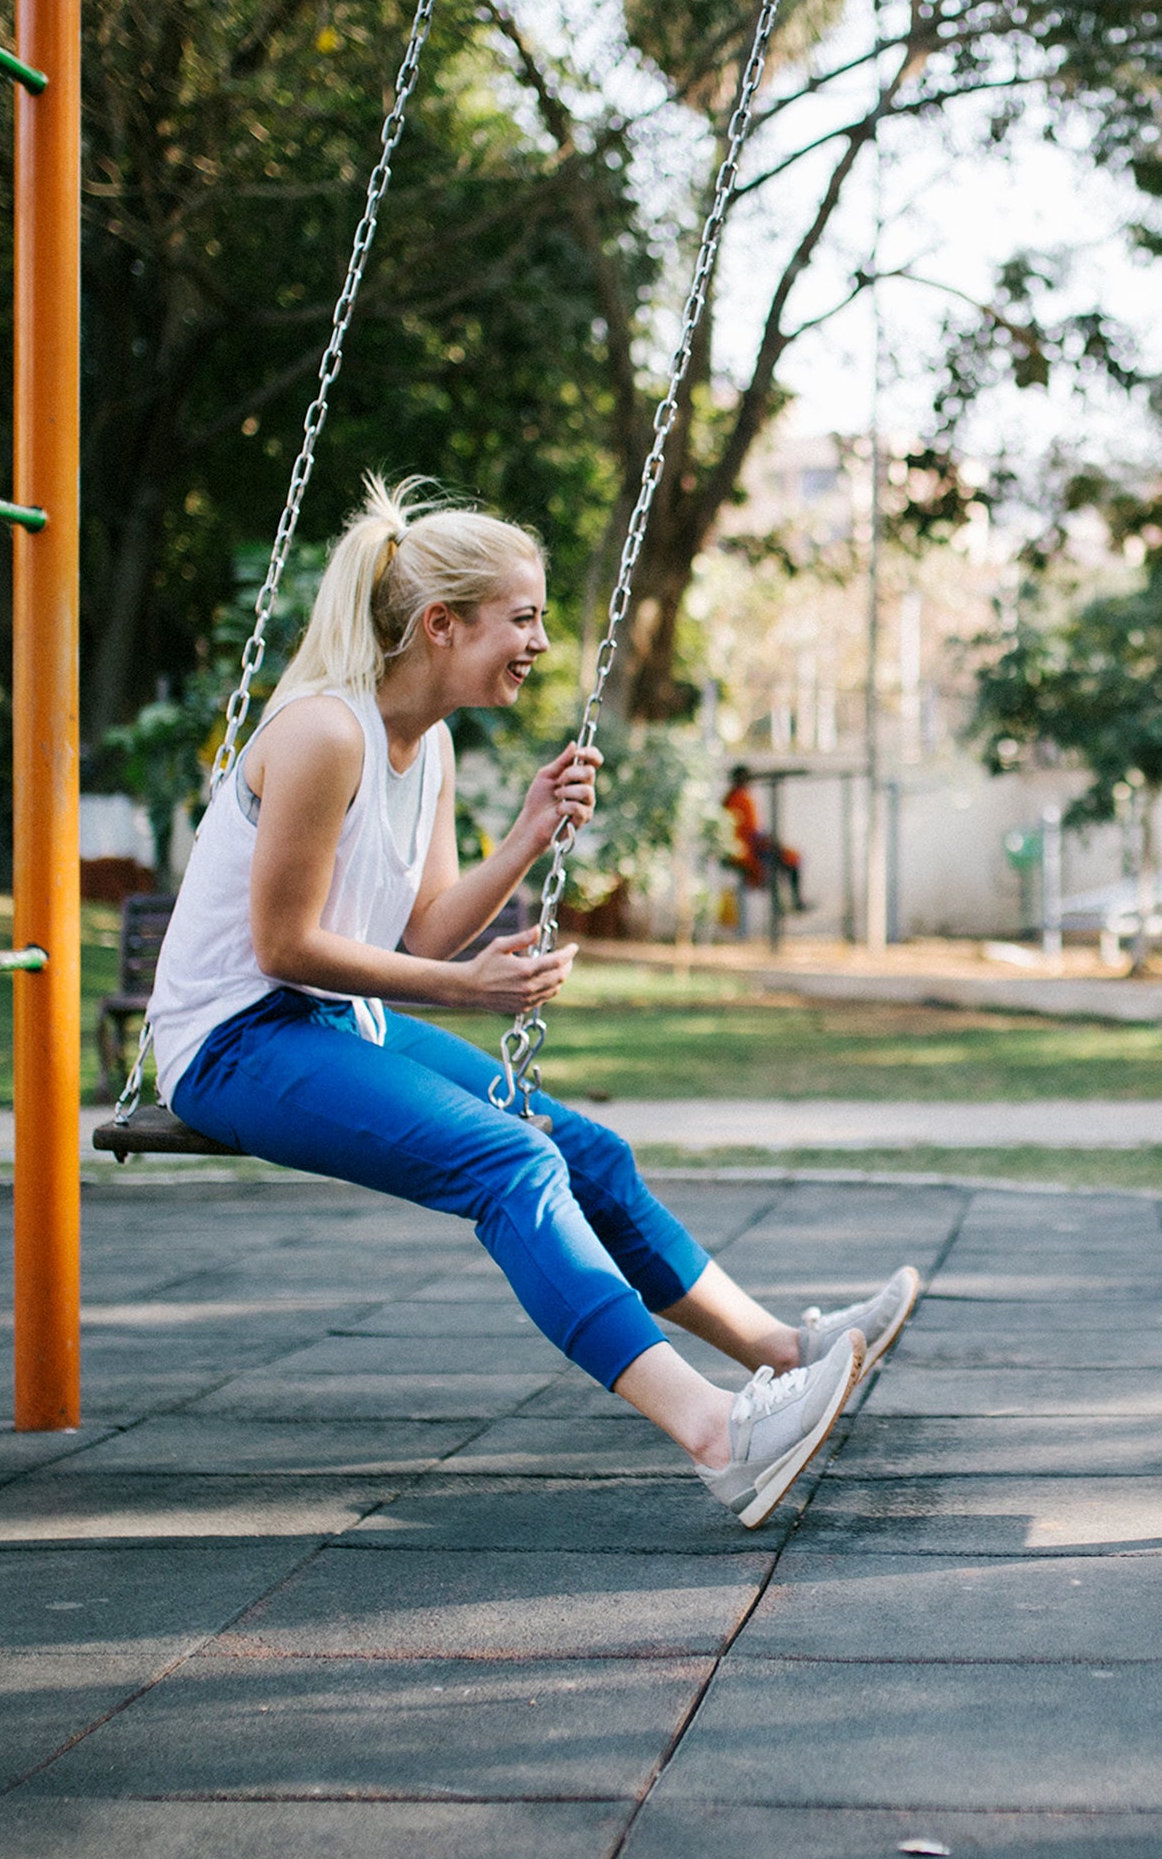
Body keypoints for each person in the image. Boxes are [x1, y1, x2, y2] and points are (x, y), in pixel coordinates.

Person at [148, 477, 918, 1527]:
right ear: (440, 624)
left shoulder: (429, 745)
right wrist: (467, 988)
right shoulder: (324, 734)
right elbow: (286, 947)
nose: (541, 642)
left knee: (584, 1148)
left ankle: (785, 1349)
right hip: (234, 1041)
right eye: (523, 617)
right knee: (509, 1161)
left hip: (327, 1023)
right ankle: (717, 1432)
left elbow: (419, 929)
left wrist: (526, 833)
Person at [722, 764, 805, 913]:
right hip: (746, 850)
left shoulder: (735, 798)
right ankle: (788, 906)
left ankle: (788, 905)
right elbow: (748, 831)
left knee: (789, 858)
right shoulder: (738, 799)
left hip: (749, 846)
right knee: (780, 862)